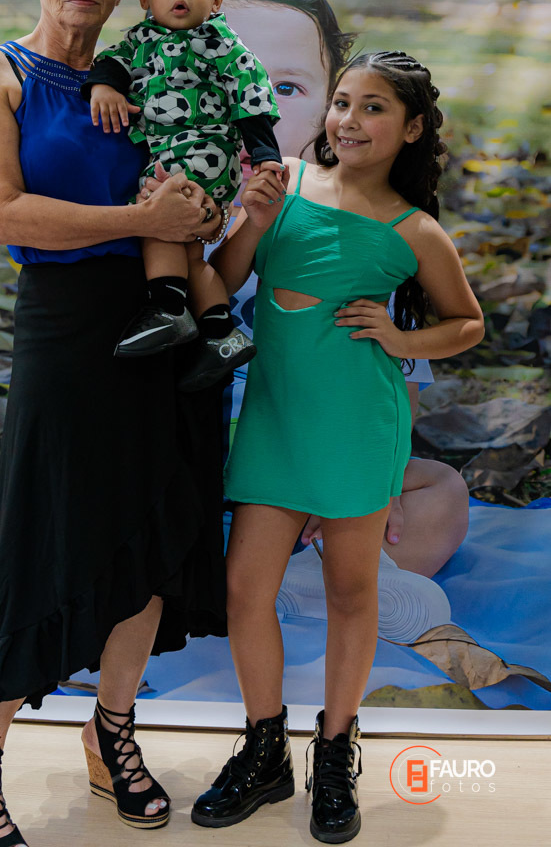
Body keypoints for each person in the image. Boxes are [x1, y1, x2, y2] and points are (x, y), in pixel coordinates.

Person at [0, 0, 228, 847]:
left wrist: (210, 210)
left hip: (163, 320)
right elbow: (3, 214)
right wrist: (142, 220)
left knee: (152, 530)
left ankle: (113, 731)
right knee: (47, 534)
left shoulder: (152, 68)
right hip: (66, 327)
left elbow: (193, 183)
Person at [191, 51, 484, 842]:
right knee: (244, 589)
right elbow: (221, 279)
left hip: (357, 425)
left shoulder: (413, 229)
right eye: (342, 102)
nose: (349, 120)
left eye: (373, 107)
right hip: (274, 420)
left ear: (411, 129)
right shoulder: (283, 182)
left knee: (352, 593)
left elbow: (466, 322)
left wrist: (400, 336)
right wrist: (253, 222)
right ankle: (263, 750)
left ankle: (333, 751)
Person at [83, 0, 284, 391]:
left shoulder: (221, 42)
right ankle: (220, 332)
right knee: (191, 253)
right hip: (172, 151)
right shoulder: (141, 40)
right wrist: (104, 87)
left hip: (204, 149)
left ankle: (168, 309)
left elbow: (251, 93)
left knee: (159, 220)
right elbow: (112, 62)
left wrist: (265, 154)